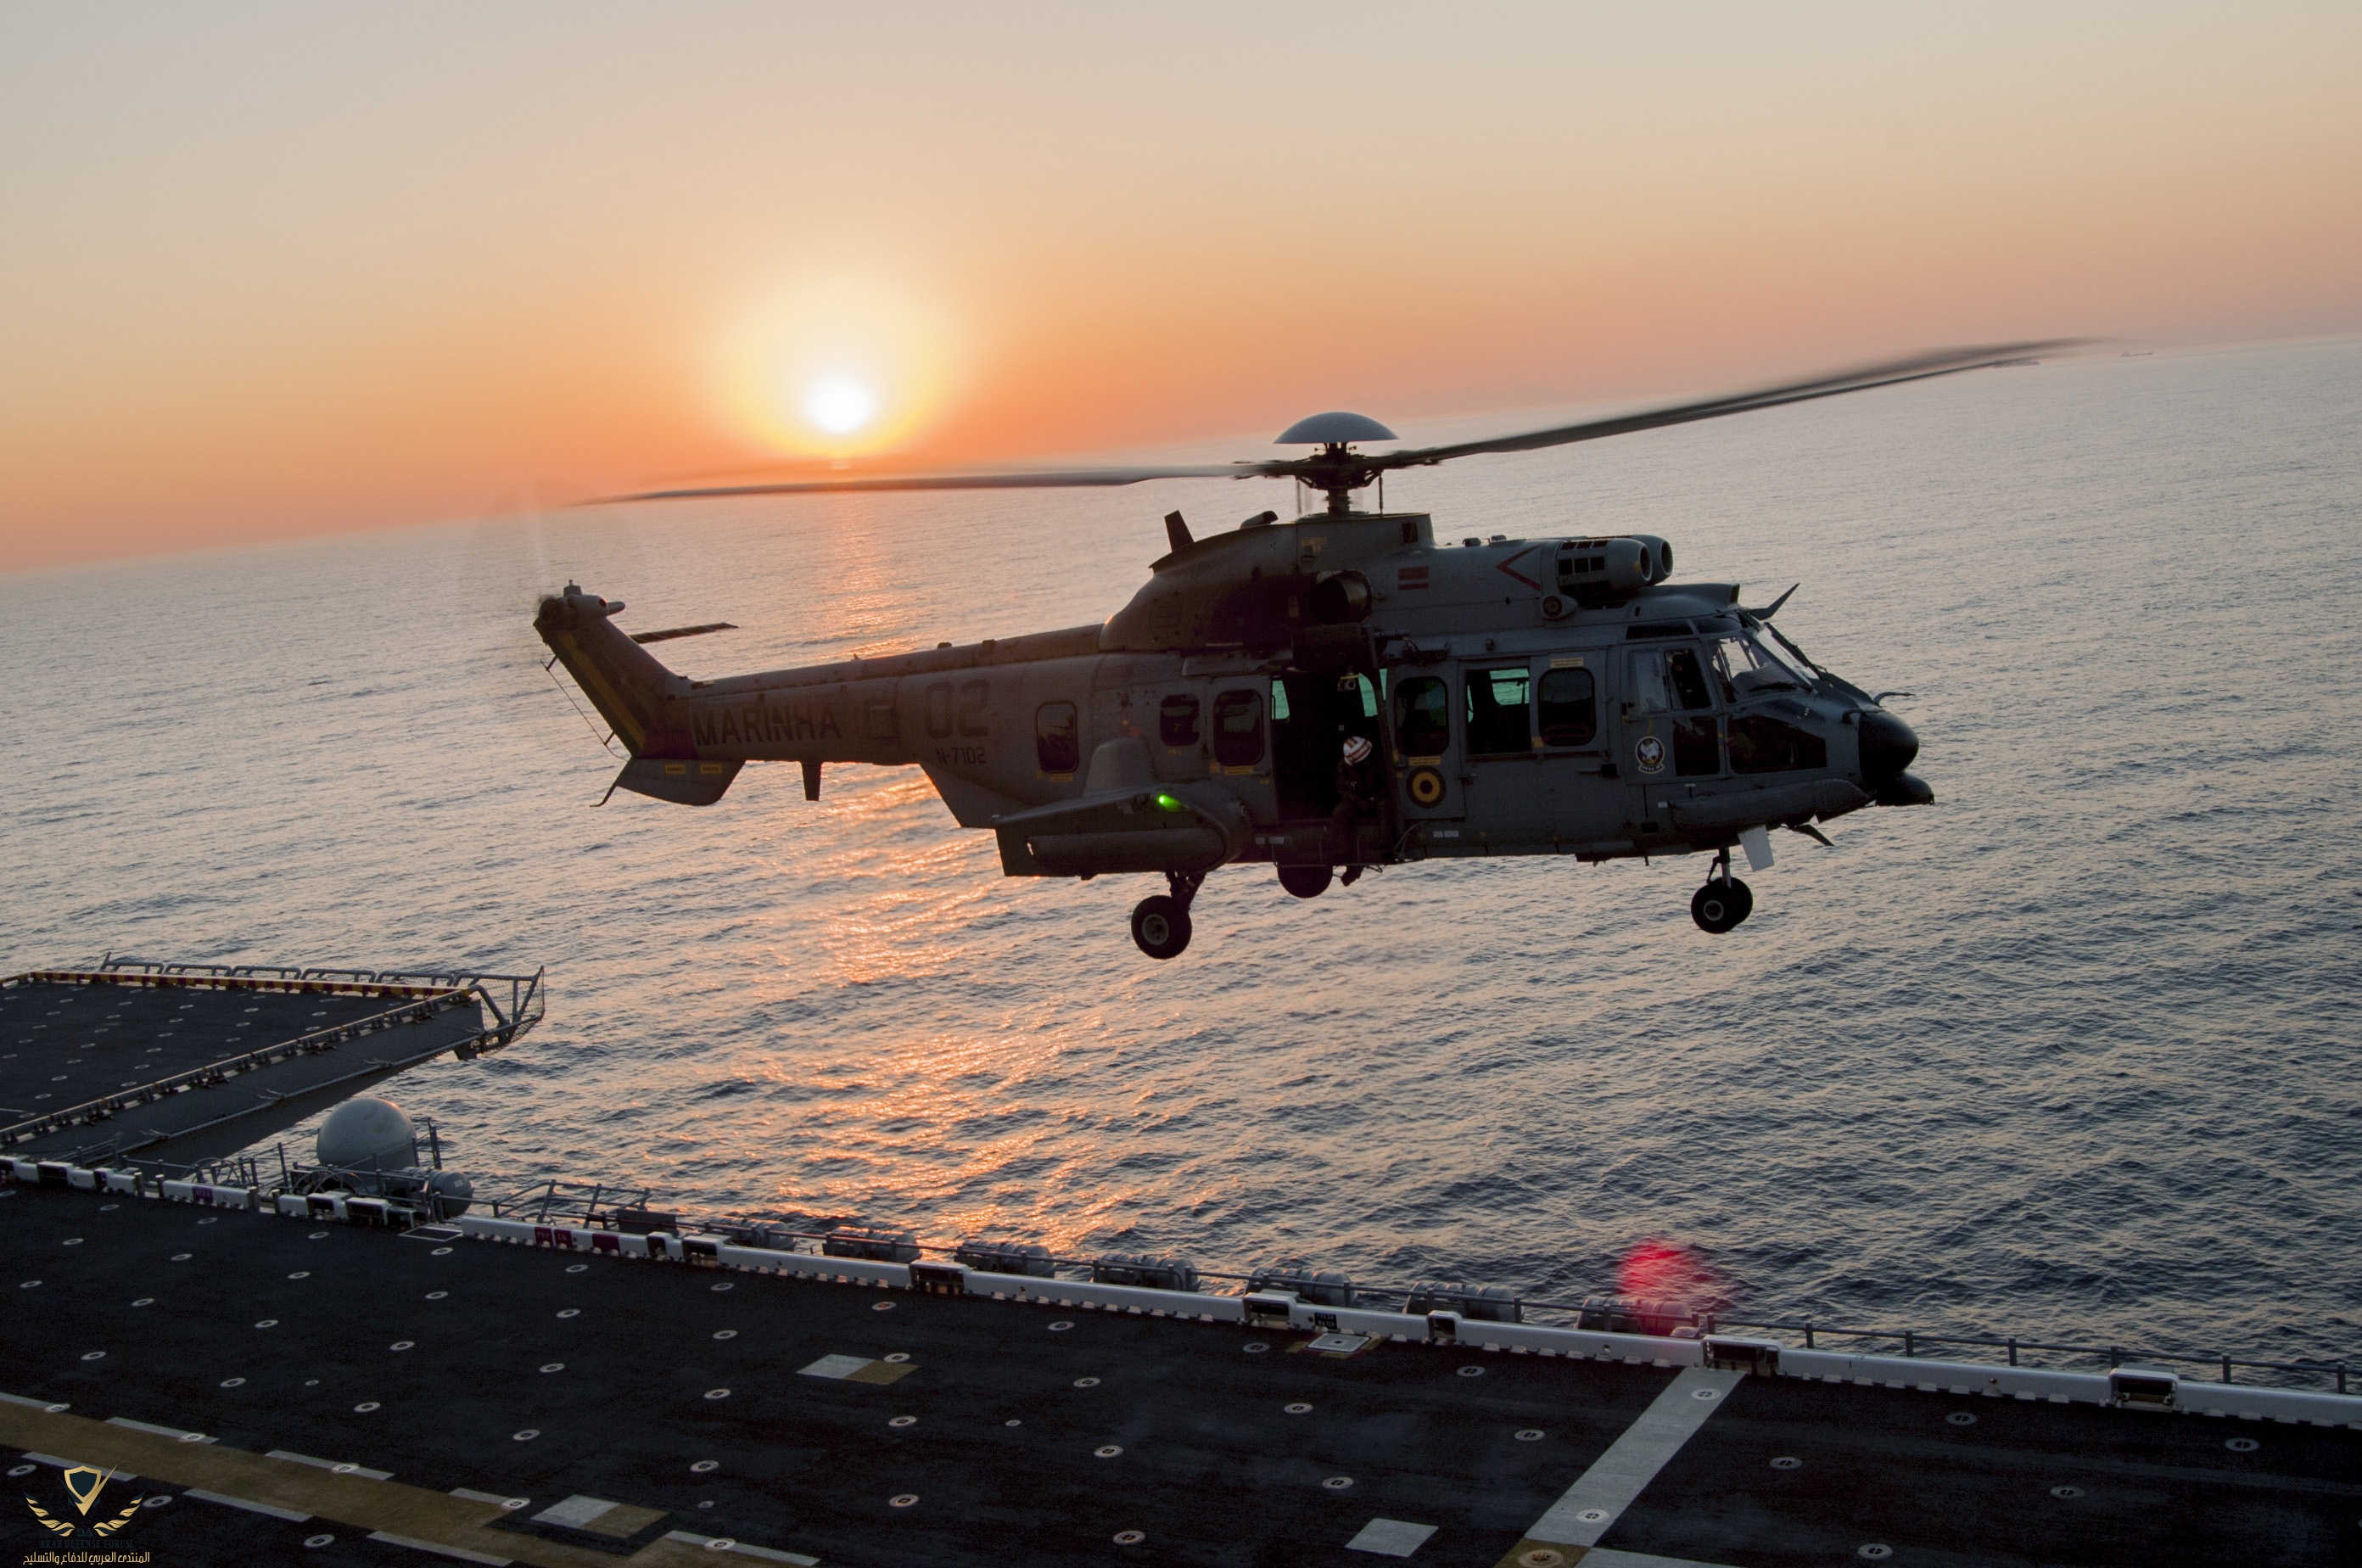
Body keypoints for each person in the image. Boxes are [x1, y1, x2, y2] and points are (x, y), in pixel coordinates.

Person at [1332, 732, 1380, 885]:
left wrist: (1374, 799)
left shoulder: (1378, 761)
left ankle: (1386, 848)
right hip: (1356, 801)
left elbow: (1388, 784)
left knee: (1386, 808)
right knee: (1340, 813)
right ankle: (1344, 853)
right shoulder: (1344, 766)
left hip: (1378, 798)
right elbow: (1341, 788)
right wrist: (1358, 801)